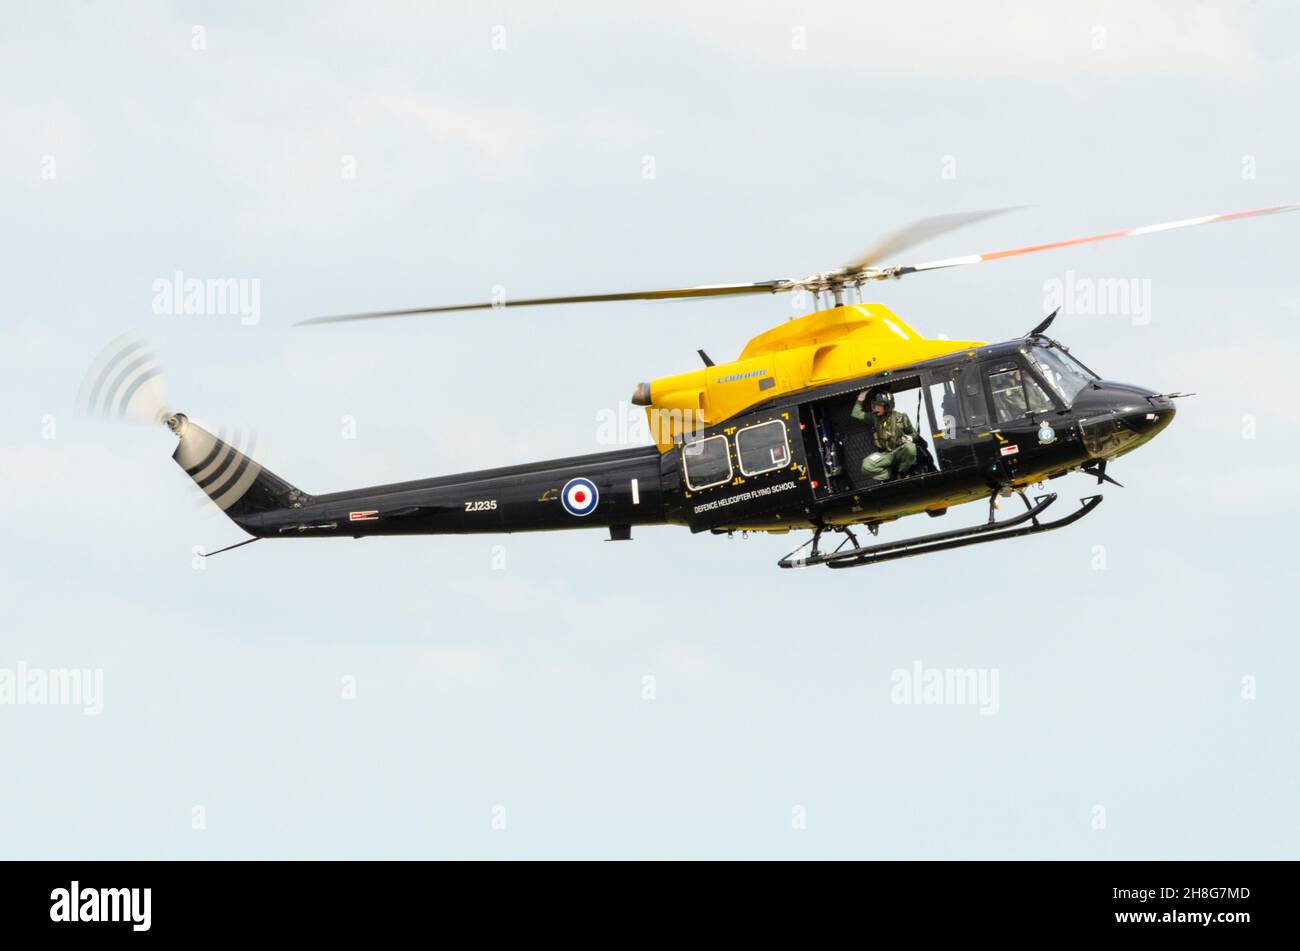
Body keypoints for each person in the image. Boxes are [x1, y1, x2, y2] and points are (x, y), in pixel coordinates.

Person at [850, 388, 918, 482]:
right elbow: (856, 414)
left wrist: (911, 437)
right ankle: (890, 475)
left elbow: (914, 434)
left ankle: (903, 472)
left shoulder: (901, 417)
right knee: (866, 465)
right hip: (885, 455)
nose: (876, 408)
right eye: (875, 405)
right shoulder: (874, 417)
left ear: (887, 406)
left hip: (899, 452)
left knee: (910, 448)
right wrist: (861, 398)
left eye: (879, 405)